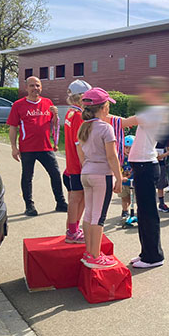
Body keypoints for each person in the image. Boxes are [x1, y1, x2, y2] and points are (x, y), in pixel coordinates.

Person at [125, 77, 169, 269]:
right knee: (144, 213)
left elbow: (124, 123)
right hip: (142, 166)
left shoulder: (155, 111)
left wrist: (98, 115)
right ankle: (146, 253)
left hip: (146, 166)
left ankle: (154, 257)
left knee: (149, 213)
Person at [7, 76, 67, 216]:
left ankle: (61, 202)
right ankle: (29, 206)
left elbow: (54, 124)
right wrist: (13, 147)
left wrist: (55, 115)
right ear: (26, 88)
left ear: (41, 87)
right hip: (27, 148)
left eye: (38, 85)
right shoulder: (18, 105)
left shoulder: (48, 103)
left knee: (55, 174)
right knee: (27, 177)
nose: (35, 88)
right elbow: (13, 127)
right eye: (32, 86)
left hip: (45, 147)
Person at [76, 88, 122, 269]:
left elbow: (81, 153)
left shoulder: (84, 127)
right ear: (103, 108)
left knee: (89, 214)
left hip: (86, 173)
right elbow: (112, 156)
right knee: (98, 216)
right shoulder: (105, 128)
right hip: (102, 175)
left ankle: (90, 251)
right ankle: (94, 256)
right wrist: (118, 178)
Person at [62, 79, 92, 243]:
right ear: (80, 98)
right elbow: (78, 143)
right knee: (76, 197)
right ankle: (72, 231)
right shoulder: (79, 116)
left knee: (78, 198)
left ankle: (73, 229)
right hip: (77, 165)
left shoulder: (70, 113)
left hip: (72, 163)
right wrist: (85, 165)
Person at [119, 136, 135, 218]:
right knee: (125, 198)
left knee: (135, 199)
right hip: (124, 182)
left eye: (131, 148)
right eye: (126, 148)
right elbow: (118, 169)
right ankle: (125, 211)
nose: (128, 150)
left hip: (134, 182)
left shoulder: (136, 158)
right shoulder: (121, 158)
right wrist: (121, 177)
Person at [155, 142, 169, 213]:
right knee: (150, 185)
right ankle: (149, 204)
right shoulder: (151, 137)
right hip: (151, 163)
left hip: (162, 164)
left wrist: (163, 155)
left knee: (161, 185)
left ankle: (161, 204)